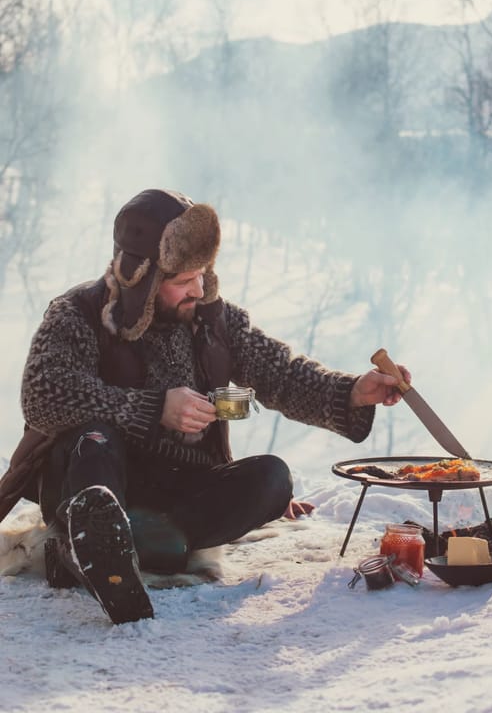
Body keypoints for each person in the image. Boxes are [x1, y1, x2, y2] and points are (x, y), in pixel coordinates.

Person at [0, 188, 409, 624]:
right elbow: (43, 394)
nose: (198, 288)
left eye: (203, 274)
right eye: (182, 281)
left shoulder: (212, 318)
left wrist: (350, 392)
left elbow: (281, 373)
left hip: (176, 491)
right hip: (95, 474)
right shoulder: (77, 313)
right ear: (142, 279)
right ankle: (91, 538)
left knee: (272, 477)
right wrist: (153, 407)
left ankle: (106, 550)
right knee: (93, 439)